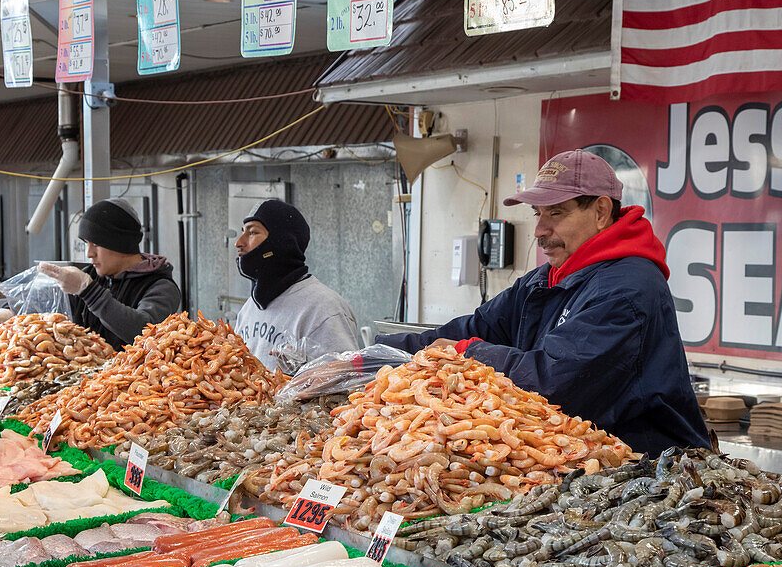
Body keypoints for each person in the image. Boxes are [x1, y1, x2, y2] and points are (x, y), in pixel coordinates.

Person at [377, 149, 710, 457]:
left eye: (556, 213)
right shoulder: (547, 278)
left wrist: (468, 352)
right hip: (579, 464)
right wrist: (374, 355)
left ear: (601, 211)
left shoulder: (628, 288)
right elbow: (476, 328)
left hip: (650, 472)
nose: (539, 229)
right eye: (538, 213)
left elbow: (554, 382)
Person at [0, 199, 182, 351]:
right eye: (87, 245)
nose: (89, 254)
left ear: (120, 244)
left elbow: (143, 331)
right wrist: (6, 313)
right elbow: (43, 304)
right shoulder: (92, 275)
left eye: (96, 245)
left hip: (138, 392)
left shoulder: (160, 286)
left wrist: (89, 291)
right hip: (88, 388)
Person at [234, 199, 360, 372]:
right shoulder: (249, 309)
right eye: (242, 231)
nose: (239, 242)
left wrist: (303, 374)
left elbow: (347, 382)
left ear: (280, 242)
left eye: (253, 232)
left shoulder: (324, 308)